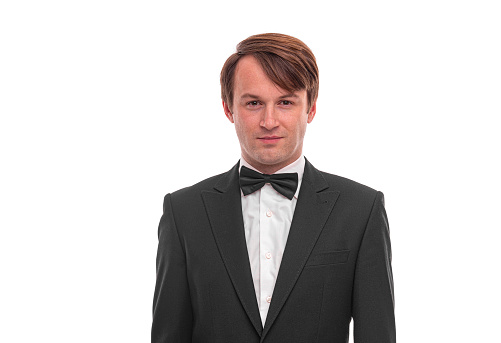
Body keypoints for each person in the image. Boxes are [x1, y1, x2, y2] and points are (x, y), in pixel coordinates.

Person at [152, 33, 396, 343]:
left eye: (285, 102)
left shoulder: (361, 210)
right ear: (229, 109)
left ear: (310, 109)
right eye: (254, 103)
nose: (269, 121)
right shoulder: (183, 213)